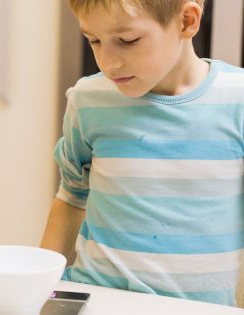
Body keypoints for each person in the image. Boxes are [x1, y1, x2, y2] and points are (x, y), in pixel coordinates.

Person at [41, 0, 244, 306]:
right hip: (97, 297)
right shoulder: (89, 99)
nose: (108, 63)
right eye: (94, 41)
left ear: (187, 21)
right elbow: (71, 197)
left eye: (128, 41)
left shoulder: (237, 99)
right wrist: (39, 288)